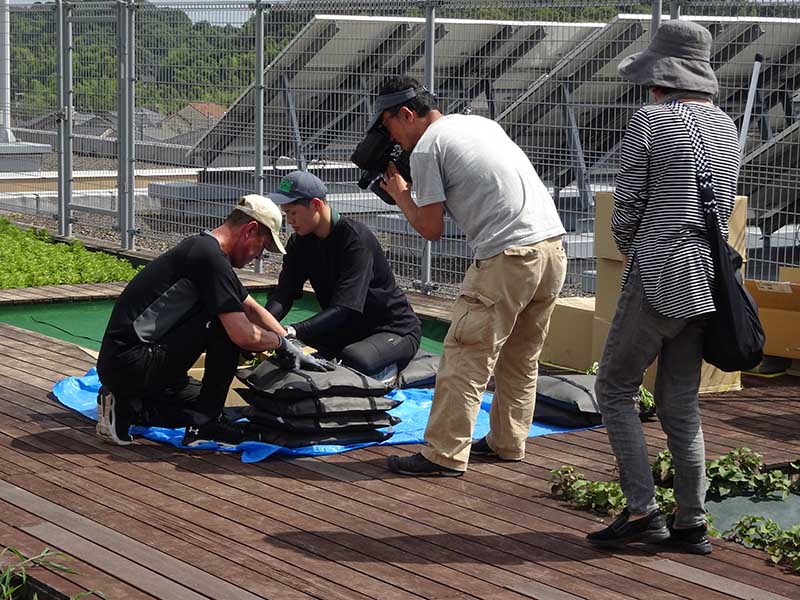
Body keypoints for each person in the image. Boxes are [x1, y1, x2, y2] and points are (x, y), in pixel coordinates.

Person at [585, 20, 740, 555]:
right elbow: (721, 208)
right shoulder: (725, 126)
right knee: (681, 403)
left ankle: (641, 511)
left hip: (655, 275)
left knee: (613, 387)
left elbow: (626, 210)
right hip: (706, 283)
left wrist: (639, 246)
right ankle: (692, 522)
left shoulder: (649, 122)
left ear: (660, 75)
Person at [375, 75, 567, 477]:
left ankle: (443, 454)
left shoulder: (428, 147)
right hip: (551, 249)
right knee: (521, 356)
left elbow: (430, 228)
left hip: (507, 258)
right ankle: (507, 443)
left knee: (465, 356)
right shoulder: (479, 123)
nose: (388, 136)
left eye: (387, 125)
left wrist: (399, 195)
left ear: (407, 114)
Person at [95, 194, 332, 448]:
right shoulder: (209, 258)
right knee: (226, 324)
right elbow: (243, 334)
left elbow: (251, 307)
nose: (258, 257)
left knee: (208, 404)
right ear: (250, 230)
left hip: (128, 364)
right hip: (132, 362)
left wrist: (291, 342)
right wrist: (279, 345)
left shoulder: (206, 250)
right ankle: (205, 425)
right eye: (262, 248)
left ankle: (129, 405)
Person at [264, 170, 421, 377]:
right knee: (284, 354)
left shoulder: (356, 240)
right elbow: (284, 293)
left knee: (355, 359)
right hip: (345, 331)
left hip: (393, 329)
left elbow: (344, 308)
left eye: (293, 212)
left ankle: (391, 374)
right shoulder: (299, 242)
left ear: (316, 205)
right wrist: (265, 324)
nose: (289, 221)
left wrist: (292, 330)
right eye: (286, 214)